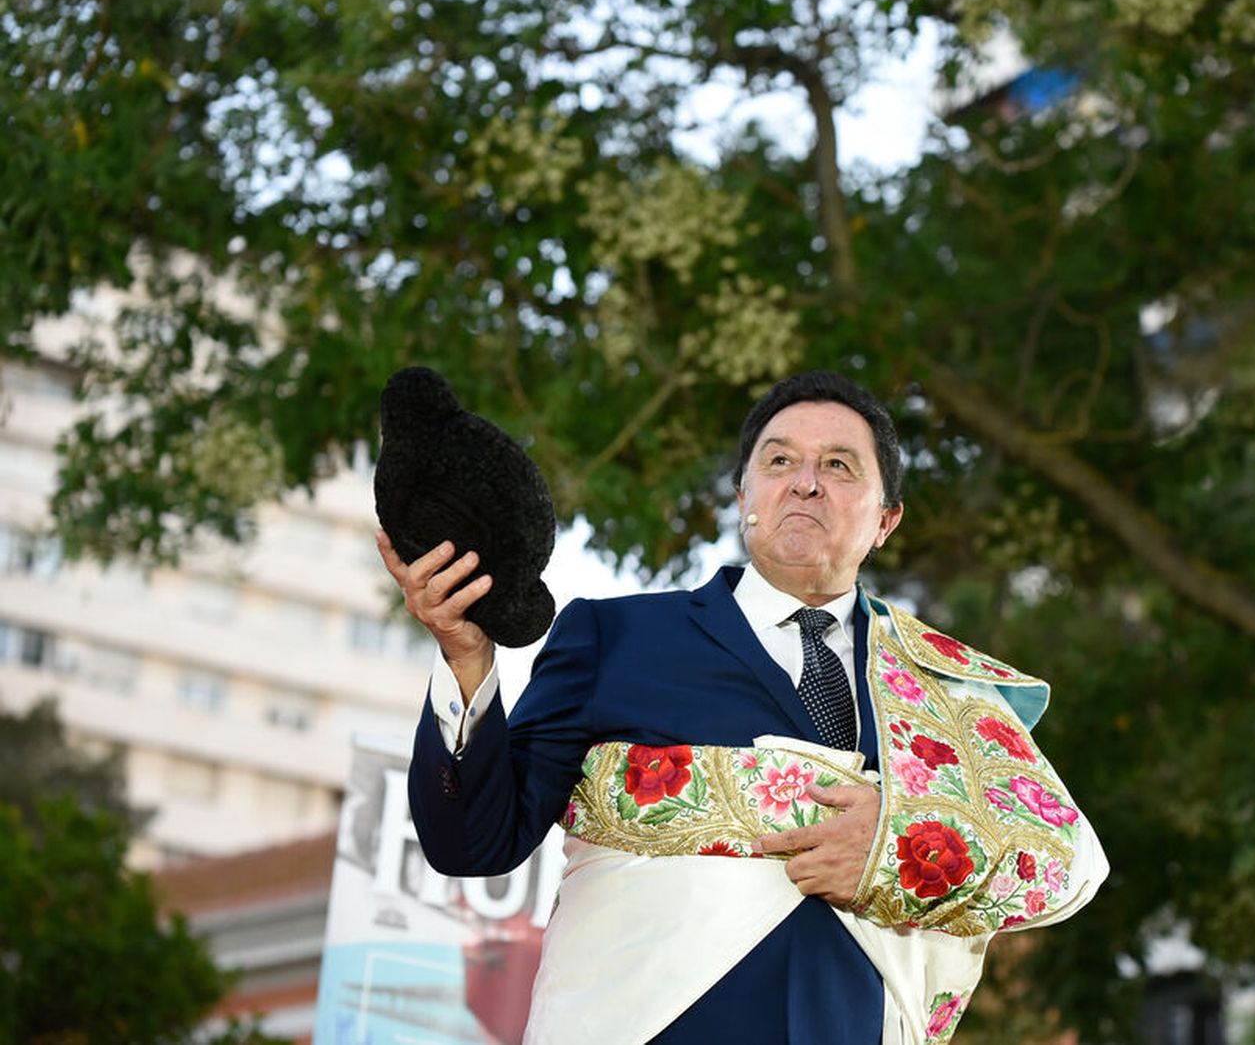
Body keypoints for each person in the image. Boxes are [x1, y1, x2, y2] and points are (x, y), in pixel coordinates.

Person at [380, 371, 1105, 1044]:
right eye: (780, 462)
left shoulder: (948, 690)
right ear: (743, 498)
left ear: (887, 520)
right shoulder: (614, 636)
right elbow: (473, 843)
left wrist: (895, 848)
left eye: (840, 466)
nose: (806, 485)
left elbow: (1065, 863)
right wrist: (468, 661)